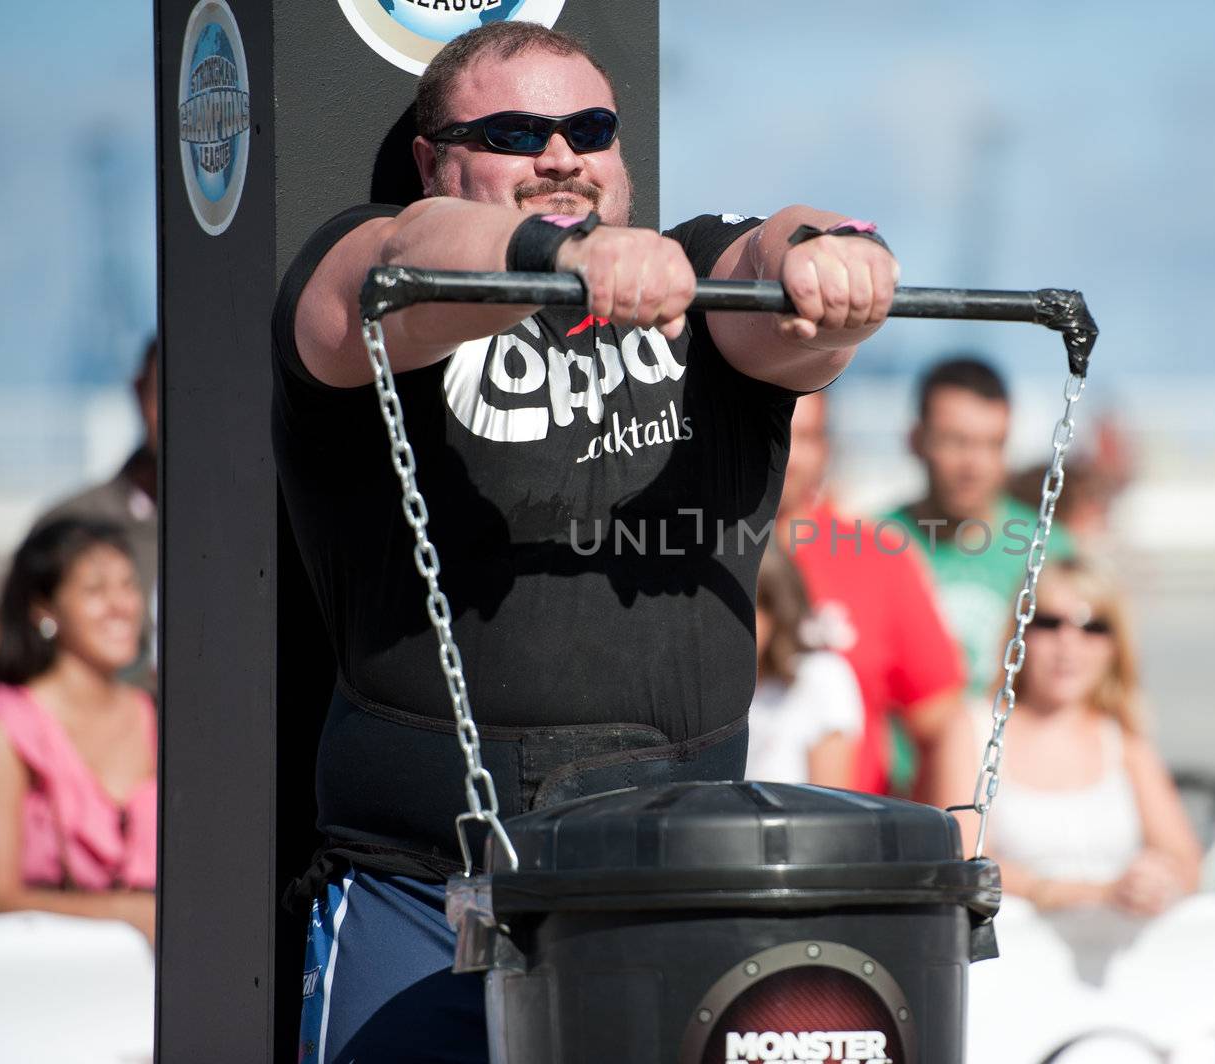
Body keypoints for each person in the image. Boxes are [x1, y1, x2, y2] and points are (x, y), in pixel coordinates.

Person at [274, 22, 899, 1061]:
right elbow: (399, 265)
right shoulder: (374, 253)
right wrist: (560, 259)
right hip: (422, 894)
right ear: (437, 159)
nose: (560, 154)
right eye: (517, 131)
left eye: (589, 128)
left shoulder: (695, 274)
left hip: (672, 896)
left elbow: (772, 260)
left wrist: (830, 256)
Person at [981, 559, 1200, 981]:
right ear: (1020, 632)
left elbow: (1186, 861)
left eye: (1092, 626)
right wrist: (1088, 894)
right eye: (1049, 623)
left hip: (1111, 978)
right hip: (1006, 977)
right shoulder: (976, 729)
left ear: (1114, 645)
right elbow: (965, 861)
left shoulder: (1126, 740)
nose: (1069, 645)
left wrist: (1154, 880)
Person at [777, 391, 973, 808]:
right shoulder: (682, 548)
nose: (787, 455)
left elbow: (943, 722)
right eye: (771, 431)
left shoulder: (878, 558)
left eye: (806, 437)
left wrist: (933, 845)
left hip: (846, 848)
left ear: (826, 448)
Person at [0, 518, 156, 944]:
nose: (121, 605)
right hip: (52, 984)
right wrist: (128, 914)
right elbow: (1, 893)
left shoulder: (159, 717)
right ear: (44, 609)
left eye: (128, 585)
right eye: (95, 590)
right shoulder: (9, 723)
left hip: (165, 989)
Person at [885, 356, 1072, 698]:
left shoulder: (1048, 550)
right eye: (956, 441)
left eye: (992, 444)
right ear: (916, 441)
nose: (974, 465)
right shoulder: (872, 543)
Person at [33, 336, 158, 690]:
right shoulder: (74, 523)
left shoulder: (262, 538)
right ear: (139, 391)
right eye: (95, 588)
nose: (120, 606)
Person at [744, 546, 861, 787]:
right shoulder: (707, 689)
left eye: (753, 605)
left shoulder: (822, 677)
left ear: (779, 609)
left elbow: (832, 806)